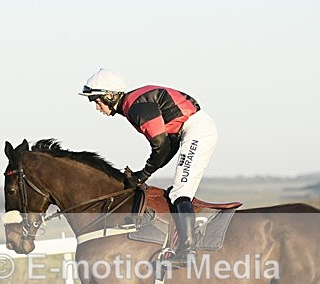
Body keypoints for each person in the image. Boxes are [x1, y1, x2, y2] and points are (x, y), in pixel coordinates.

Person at [79, 68, 218, 267]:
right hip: (193, 129)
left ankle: (187, 252)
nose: (97, 107)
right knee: (177, 192)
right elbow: (167, 147)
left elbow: (161, 146)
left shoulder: (136, 108)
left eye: (96, 100)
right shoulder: (133, 103)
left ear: (109, 96)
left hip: (197, 131)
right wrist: (143, 174)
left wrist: (142, 175)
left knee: (180, 193)